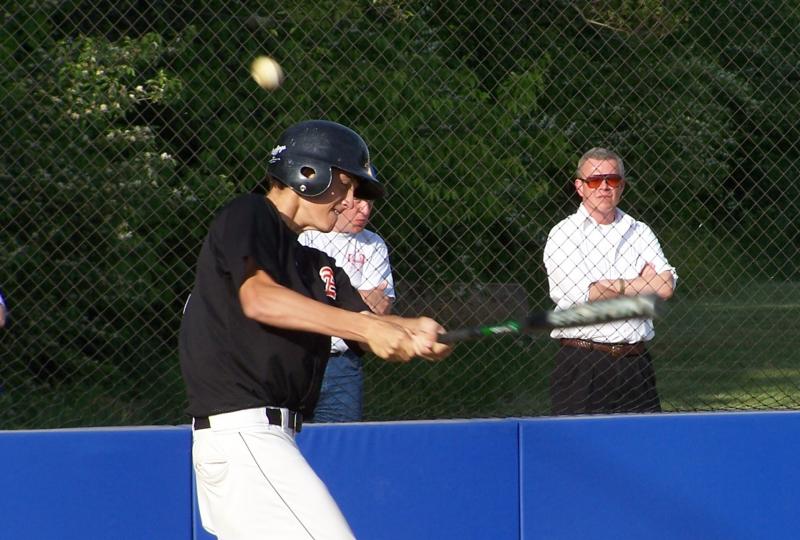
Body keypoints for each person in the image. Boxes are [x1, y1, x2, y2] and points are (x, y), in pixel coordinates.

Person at [179, 119, 451, 540]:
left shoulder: (313, 263)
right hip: (244, 436)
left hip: (265, 440)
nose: (349, 201)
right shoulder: (249, 214)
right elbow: (260, 298)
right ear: (309, 174)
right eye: (346, 185)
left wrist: (411, 329)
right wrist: (367, 328)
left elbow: (365, 321)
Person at [543, 147, 677, 416]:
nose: (604, 187)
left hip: (635, 364)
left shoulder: (640, 231)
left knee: (644, 449)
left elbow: (665, 287)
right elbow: (587, 294)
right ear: (579, 187)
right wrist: (641, 284)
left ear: (622, 185)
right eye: (594, 180)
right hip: (583, 365)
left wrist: (613, 286)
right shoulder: (563, 234)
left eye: (612, 180)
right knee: (578, 453)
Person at [298, 174, 395, 422]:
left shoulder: (373, 244)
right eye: (358, 201)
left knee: (341, 440)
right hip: (300, 357)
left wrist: (324, 299)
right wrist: (359, 300)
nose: (365, 209)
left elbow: (380, 310)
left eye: (370, 204)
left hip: (343, 362)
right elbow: (295, 301)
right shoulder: (306, 236)